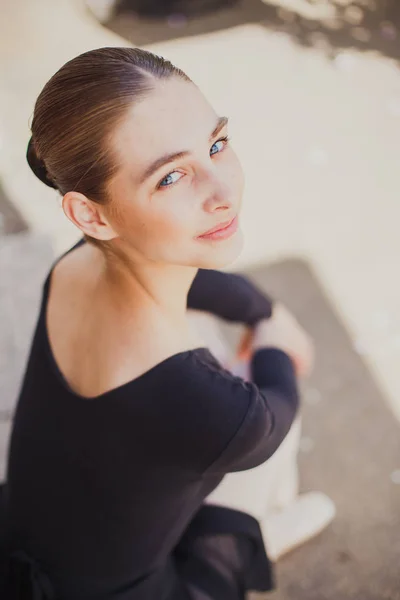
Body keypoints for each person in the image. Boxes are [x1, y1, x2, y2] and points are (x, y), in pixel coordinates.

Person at [0, 47, 333, 600]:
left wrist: (260, 308)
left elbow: (168, 268)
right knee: (263, 422)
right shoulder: (212, 406)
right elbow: (275, 406)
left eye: (217, 145)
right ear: (91, 214)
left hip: (25, 535)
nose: (223, 193)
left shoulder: (73, 266)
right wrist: (274, 335)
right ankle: (257, 538)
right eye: (172, 176)